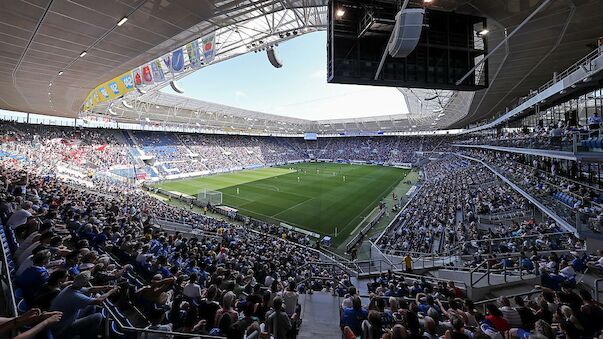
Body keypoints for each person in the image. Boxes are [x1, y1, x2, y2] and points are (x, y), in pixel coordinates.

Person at [49, 271, 120, 339]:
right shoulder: (76, 296)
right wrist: (111, 291)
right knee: (98, 316)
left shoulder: (71, 286)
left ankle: (83, 329)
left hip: (64, 320)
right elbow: (98, 300)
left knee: (91, 306)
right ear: (85, 283)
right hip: (63, 328)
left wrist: (107, 287)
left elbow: (90, 289)